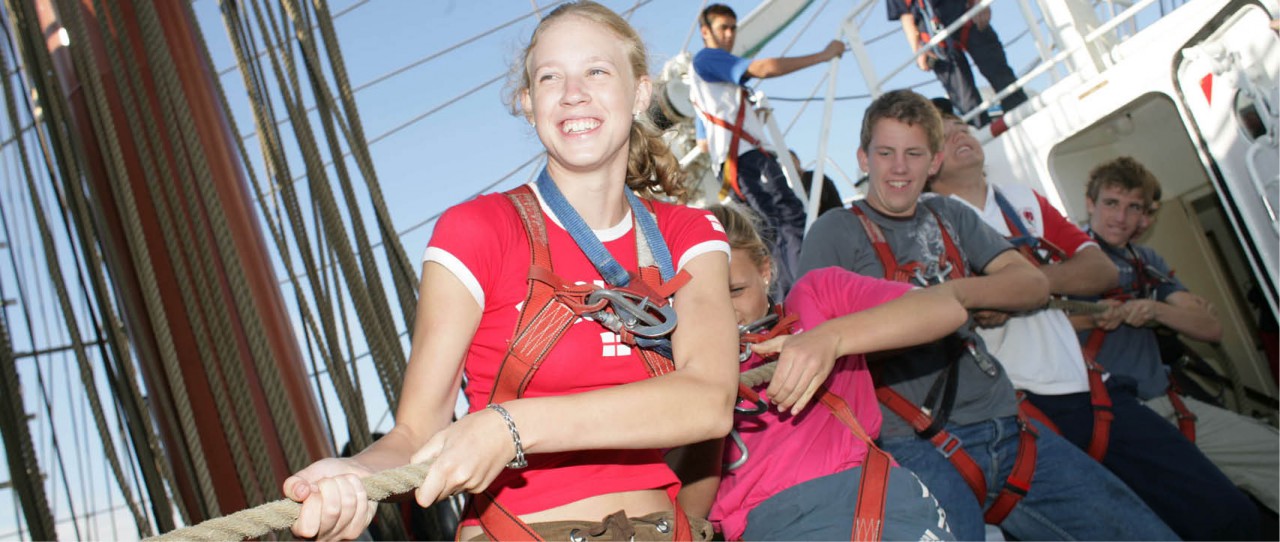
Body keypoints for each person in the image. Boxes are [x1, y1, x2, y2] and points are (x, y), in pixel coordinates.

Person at [281, 3, 738, 540]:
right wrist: (354, 474)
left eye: (597, 70)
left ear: (640, 92)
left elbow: (709, 401)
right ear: (527, 103)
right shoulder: (478, 230)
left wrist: (511, 427)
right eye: (550, 77)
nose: (573, 92)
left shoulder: (687, 236)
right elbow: (415, 433)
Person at [799, 89, 1176, 540]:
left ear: (933, 163)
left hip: (1006, 424)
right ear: (864, 158)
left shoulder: (949, 214)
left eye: (914, 153)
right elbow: (816, 338)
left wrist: (951, 297)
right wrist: (957, 302)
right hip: (908, 442)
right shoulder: (834, 232)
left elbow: (1032, 284)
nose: (899, 168)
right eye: (886, 152)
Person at [927, 110, 1261, 540]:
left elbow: (1101, 271)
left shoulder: (1022, 201)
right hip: (1018, 416)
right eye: (944, 134)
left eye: (961, 125)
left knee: (1227, 514)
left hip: (1090, 391)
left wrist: (1021, 288)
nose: (959, 133)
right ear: (928, 163)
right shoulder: (928, 226)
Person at [697, 203, 956, 541]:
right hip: (768, 527)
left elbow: (946, 308)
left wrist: (830, 339)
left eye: (736, 290)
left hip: (872, 506)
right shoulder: (686, 369)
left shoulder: (815, 298)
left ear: (765, 270)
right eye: (707, 297)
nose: (726, 309)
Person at [1073, 156, 1280, 515]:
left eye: (1132, 207)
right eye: (1111, 203)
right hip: (1114, 418)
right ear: (1090, 204)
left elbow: (1209, 327)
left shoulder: (1144, 261)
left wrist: (1155, 310)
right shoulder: (1065, 258)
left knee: (1270, 454)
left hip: (1166, 405)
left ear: (1144, 216)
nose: (1120, 217)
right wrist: (1097, 317)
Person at [690, 3, 845, 296]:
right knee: (788, 220)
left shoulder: (702, 86)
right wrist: (824, 55)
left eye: (732, 28)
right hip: (748, 159)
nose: (729, 35)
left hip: (734, 165)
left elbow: (702, 142)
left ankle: (789, 299)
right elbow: (765, 68)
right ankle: (811, 294)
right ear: (705, 32)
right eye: (722, 27)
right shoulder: (709, 59)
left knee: (768, 232)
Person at [889, 0, 1028, 127]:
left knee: (999, 74)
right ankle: (983, 136)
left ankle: (1024, 117)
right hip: (936, 41)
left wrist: (979, 4)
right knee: (966, 102)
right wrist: (918, 50)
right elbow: (905, 14)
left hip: (968, 15)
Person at [789, 150, 845, 218]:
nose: (789, 166)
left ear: (798, 161)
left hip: (833, 220)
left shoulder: (814, 177)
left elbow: (815, 205)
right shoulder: (791, 190)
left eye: (791, 161)